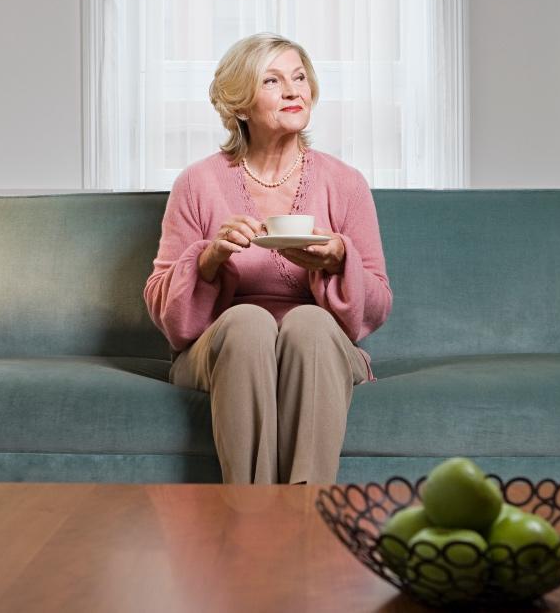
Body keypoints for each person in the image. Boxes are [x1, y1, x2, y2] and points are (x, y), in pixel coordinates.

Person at [143, 33, 392, 485]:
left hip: (318, 347)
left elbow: (376, 307)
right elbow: (166, 314)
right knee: (247, 321)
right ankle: (253, 516)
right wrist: (208, 258)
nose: (294, 90)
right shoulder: (197, 184)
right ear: (240, 105)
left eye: (300, 77)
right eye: (273, 81)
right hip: (225, 345)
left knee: (310, 325)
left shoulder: (345, 182)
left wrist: (340, 260)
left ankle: (304, 516)